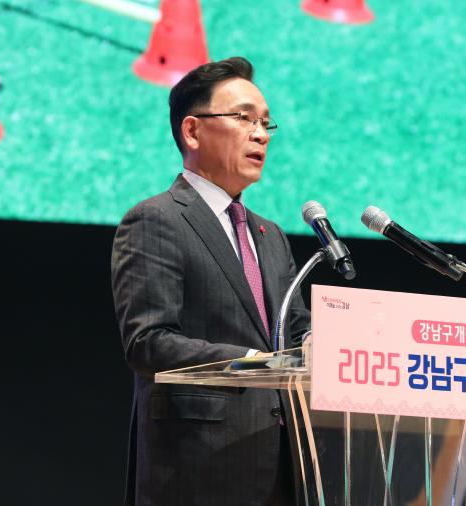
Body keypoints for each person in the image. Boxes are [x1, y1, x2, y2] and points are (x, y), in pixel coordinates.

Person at [111, 56, 310, 506]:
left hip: (282, 464)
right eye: (244, 118)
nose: (261, 134)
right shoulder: (156, 219)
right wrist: (254, 363)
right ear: (193, 131)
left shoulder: (270, 235)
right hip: (199, 467)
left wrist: (325, 344)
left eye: (265, 123)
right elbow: (148, 342)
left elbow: (295, 329)